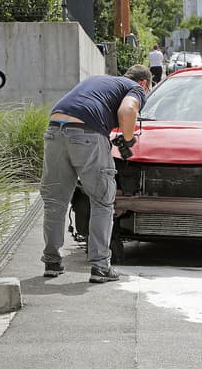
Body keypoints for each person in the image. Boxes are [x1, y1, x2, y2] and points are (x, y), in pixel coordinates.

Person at [40, 66, 152, 283]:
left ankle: (52, 262)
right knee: (102, 201)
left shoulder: (101, 82)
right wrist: (128, 140)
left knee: (55, 201)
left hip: (55, 131)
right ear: (144, 84)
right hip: (87, 134)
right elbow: (127, 111)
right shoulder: (135, 89)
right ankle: (101, 267)